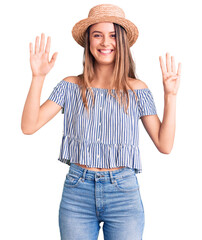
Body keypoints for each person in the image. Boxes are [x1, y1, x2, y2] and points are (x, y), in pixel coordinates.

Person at [21, 3, 181, 240]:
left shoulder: (137, 90)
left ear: (123, 44)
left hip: (123, 194)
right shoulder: (70, 86)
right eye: (98, 35)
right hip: (77, 193)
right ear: (88, 42)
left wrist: (170, 96)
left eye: (113, 36)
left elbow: (164, 145)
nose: (106, 42)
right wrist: (38, 77)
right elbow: (29, 126)